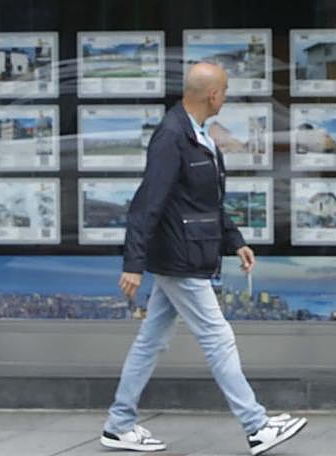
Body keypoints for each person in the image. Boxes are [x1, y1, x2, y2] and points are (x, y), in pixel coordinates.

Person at [101, 62, 307, 455]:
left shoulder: (197, 135)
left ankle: (119, 424)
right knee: (218, 338)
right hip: (179, 258)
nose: (226, 98)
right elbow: (147, 203)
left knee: (151, 341)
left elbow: (205, 201)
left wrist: (235, 241)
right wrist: (133, 263)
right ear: (213, 95)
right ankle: (257, 425)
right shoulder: (171, 137)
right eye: (225, 91)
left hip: (187, 252)